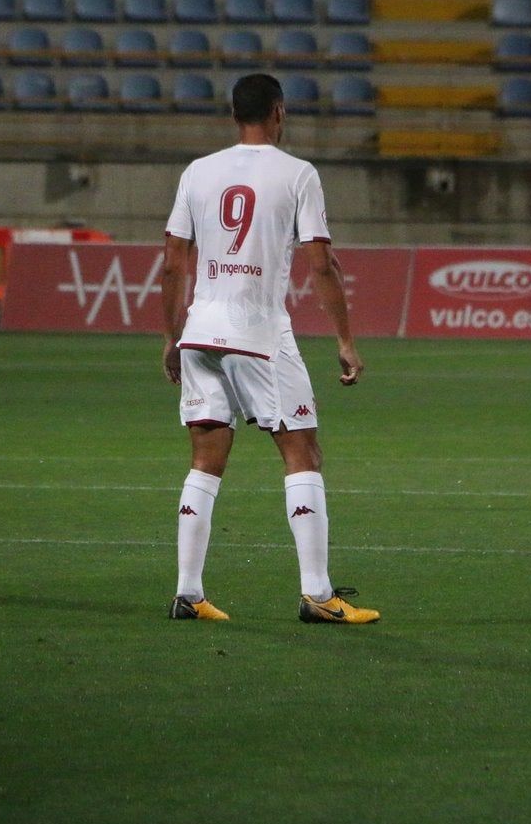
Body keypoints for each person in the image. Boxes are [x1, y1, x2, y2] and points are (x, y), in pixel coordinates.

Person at [159, 73, 379, 624]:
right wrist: (346, 340)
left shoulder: (197, 172)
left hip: (200, 332)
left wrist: (170, 337)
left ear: (234, 115)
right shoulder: (298, 174)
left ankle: (188, 592)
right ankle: (318, 594)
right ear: (279, 113)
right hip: (258, 334)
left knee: (206, 460)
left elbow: (171, 263)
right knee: (302, 454)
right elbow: (320, 263)